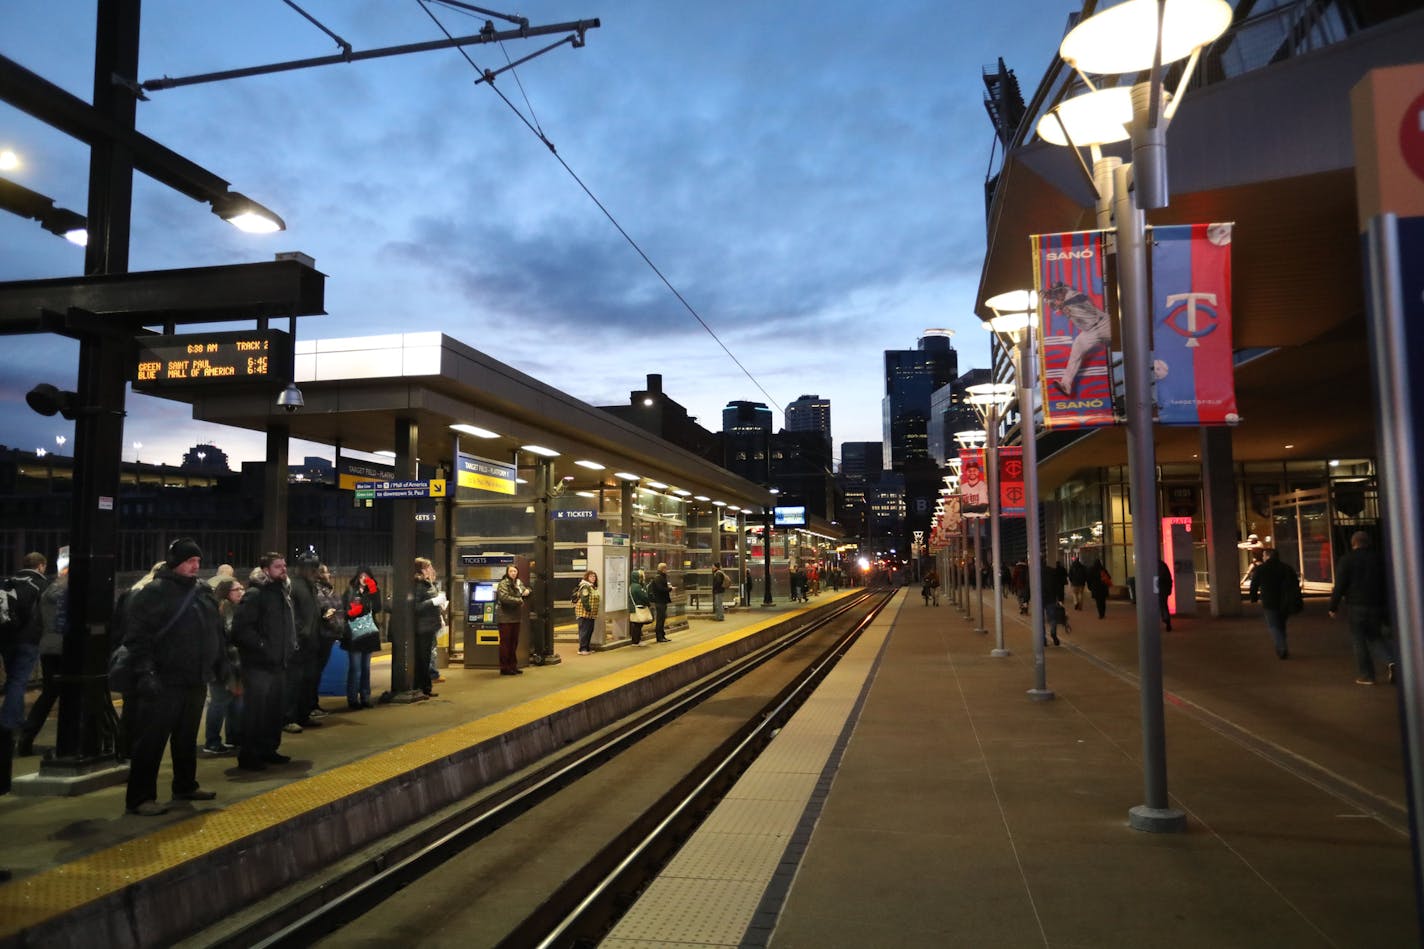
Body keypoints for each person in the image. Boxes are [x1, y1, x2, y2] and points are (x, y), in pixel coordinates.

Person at [121, 538, 223, 815]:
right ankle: (141, 798)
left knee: (186, 737)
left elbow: (215, 631)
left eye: (198, 562)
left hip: (195, 678)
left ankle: (185, 785)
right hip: (164, 679)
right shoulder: (154, 593)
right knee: (151, 741)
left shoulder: (201, 592)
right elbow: (137, 638)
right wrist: (146, 673)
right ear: (176, 562)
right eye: (190, 561)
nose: (195, 566)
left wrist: (219, 665)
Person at [230, 553, 297, 771]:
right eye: (278, 566)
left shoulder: (281, 593)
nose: (283, 569)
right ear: (266, 570)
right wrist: (262, 647)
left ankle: (269, 749)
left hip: (278, 663)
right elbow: (241, 629)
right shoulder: (255, 594)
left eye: (284, 565)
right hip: (259, 665)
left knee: (273, 711)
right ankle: (249, 755)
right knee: (256, 712)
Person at [1, 552, 49, 789]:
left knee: (12, 679)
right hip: (28, 640)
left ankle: (14, 716)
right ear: (41, 566)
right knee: (19, 681)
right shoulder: (40, 584)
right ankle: (10, 721)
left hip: (7, 638)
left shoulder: (8, 582)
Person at [1329, 531, 1395, 685]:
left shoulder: (1347, 560)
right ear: (1368, 542)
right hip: (1378, 604)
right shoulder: (1379, 558)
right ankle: (1392, 661)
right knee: (1375, 636)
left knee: (1358, 639)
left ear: (1353, 543)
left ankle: (1366, 675)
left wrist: (1333, 606)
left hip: (1356, 605)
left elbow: (1340, 585)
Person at [18, 565, 67, 757]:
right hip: (68, 649)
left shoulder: (47, 592)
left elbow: (37, 621)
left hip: (48, 647)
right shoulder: (73, 593)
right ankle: (68, 743)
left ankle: (26, 737)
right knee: (72, 695)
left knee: (48, 694)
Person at [201, 578, 244, 756]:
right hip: (222, 665)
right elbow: (225, 640)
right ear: (227, 592)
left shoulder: (236, 609)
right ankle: (212, 741)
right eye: (236, 589)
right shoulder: (222, 610)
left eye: (242, 588)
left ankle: (233, 738)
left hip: (234, 665)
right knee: (219, 702)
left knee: (235, 702)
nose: (241, 592)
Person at [284, 552, 323, 733]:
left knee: (307, 681)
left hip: (310, 641)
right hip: (299, 643)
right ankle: (289, 718)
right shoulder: (295, 586)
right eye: (313, 568)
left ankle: (303, 715)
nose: (315, 572)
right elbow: (293, 614)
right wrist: (300, 633)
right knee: (294, 683)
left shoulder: (310, 586)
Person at [342, 567, 382, 710]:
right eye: (361, 576)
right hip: (355, 635)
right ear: (357, 577)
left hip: (369, 634)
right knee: (355, 668)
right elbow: (346, 611)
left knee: (366, 668)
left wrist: (373, 590)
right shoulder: (351, 591)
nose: (364, 579)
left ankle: (365, 697)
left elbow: (378, 608)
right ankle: (352, 699)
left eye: (367, 577)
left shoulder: (372, 592)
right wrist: (354, 608)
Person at [1249, 548, 1298, 660]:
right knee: (1281, 624)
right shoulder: (1286, 568)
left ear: (1267, 556)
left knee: (1273, 625)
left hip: (1269, 601)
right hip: (1285, 601)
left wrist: (1253, 598)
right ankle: (1281, 645)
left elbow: (1254, 584)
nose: (1263, 557)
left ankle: (1282, 647)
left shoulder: (1261, 569)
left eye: (1264, 555)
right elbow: (1295, 583)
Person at [412, 558, 447, 692]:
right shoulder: (419, 584)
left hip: (431, 625)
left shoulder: (428, 583)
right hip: (423, 626)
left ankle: (426, 687)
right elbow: (416, 606)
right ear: (420, 570)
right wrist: (434, 601)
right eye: (427, 567)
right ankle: (423, 687)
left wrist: (439, 603)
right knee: (423, 658)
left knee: (427, 657)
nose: (430, 569)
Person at [493, 563, 529, 673]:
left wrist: (527, 591)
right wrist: (519, 600)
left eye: (515, 571)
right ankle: (504, 667)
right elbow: (503, 597)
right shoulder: (503, 583)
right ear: (507, 572)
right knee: (505, 643)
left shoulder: (517, 583)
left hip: (516, 617)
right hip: (505, 617)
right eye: (511, 571)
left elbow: (525, 590)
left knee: (513, 643)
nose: (513, 573)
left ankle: (513, 665)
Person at [573, 570, 600, 655]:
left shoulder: (592, 587)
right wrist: (588, 609)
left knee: (589, 630)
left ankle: (587, 648)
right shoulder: (585, 586)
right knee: (584, 631)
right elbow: (584, 599)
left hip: (591, 614)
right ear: (587, 577)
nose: (593, 578)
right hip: (584, 613)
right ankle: (582, 649)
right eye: (591, 576)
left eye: (594, 576)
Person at [648, 563, 673, 643]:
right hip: (660, 601)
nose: (667, 570)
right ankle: (659, 637)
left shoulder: (660, 577)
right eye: (666, 569)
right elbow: (661, 589)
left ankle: (662, 636)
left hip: (662, 601)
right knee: (660, 619)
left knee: (662, 619)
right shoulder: (658, 578)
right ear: (663, 569)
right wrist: (670, 589)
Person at [628, 569, 652, 646]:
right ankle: (636, 641)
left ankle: (636, 641)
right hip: (638, 608)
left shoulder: (632, 586)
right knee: (638, 625)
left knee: (636, 625)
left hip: (634, 608)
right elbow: (644, 597)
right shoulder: (637, 587)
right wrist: (648, 603)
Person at [1157, 559, 1174, 632]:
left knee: (1162, 605)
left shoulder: (1157, 566)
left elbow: (1157, 579)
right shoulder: (1163, 565)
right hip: (1164, 589)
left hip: (1160, 589)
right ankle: (1166, 620)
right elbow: (1169, 579)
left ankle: (1165, 619)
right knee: (1164, 605)